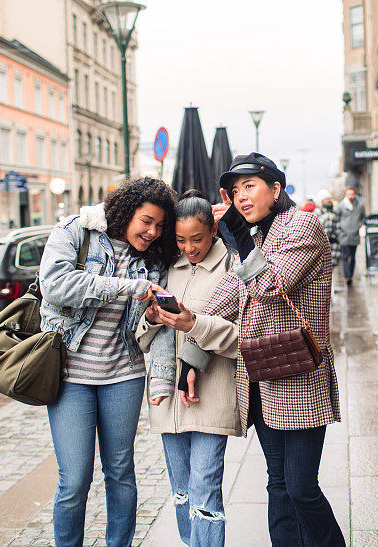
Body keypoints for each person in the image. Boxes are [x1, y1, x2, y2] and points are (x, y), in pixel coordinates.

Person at [176, 153, 345, 546]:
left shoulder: (301, 226)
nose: (241, 197)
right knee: (278, 484)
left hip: (300, 380)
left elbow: (273, 286)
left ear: (276, 188)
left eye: (249, 187)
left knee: (302, 488)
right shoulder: (254, 238)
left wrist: (234, 230)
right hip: (262, 380)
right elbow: (231, 296)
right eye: (235, 191)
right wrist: (190, 343)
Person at [38, 177, 178, 547]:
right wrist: (126, 287)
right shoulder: (75, 231)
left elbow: (158, 324)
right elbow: (55, 285)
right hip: (70, 376)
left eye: (160, 226)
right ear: (126, 211)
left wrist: (162, 377)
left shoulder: (152, 258)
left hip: (124, 375)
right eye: (147, 221)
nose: (152, 232)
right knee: (74, 479)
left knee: (120, 472)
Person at [136, 189, 240, 546]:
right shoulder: (168, 270)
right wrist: (151, 319)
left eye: (196, 238)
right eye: (181, 240)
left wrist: (195, 325)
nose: (189, 248)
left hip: (213, 396)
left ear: (213, 231)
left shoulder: (232, 267)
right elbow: (142, 338)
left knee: (205, 490)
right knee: (181, 491)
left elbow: (241, 338)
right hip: (170, 403)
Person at [336, 186, 366, 286]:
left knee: (352, 257)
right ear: (346, 195)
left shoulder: (360, 206)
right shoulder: (341, 205)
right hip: (344, 235)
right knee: (345, 256)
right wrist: (340, 229)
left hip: (354, 235)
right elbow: (337, 218)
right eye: (349, 194)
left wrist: (358, 225)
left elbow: (363, 218)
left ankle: (350, 275)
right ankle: (347, 276)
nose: (351, 196)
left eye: (352, 194)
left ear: (355, 195)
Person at [316, 190, 340, 270]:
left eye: (329, 199)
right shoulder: (318, 213)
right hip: (321, 245)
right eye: (327, 199)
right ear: (322, 201)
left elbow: (338, 228)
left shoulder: (335, 212)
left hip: (333, 245)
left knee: (331, 268)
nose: (329, 200)